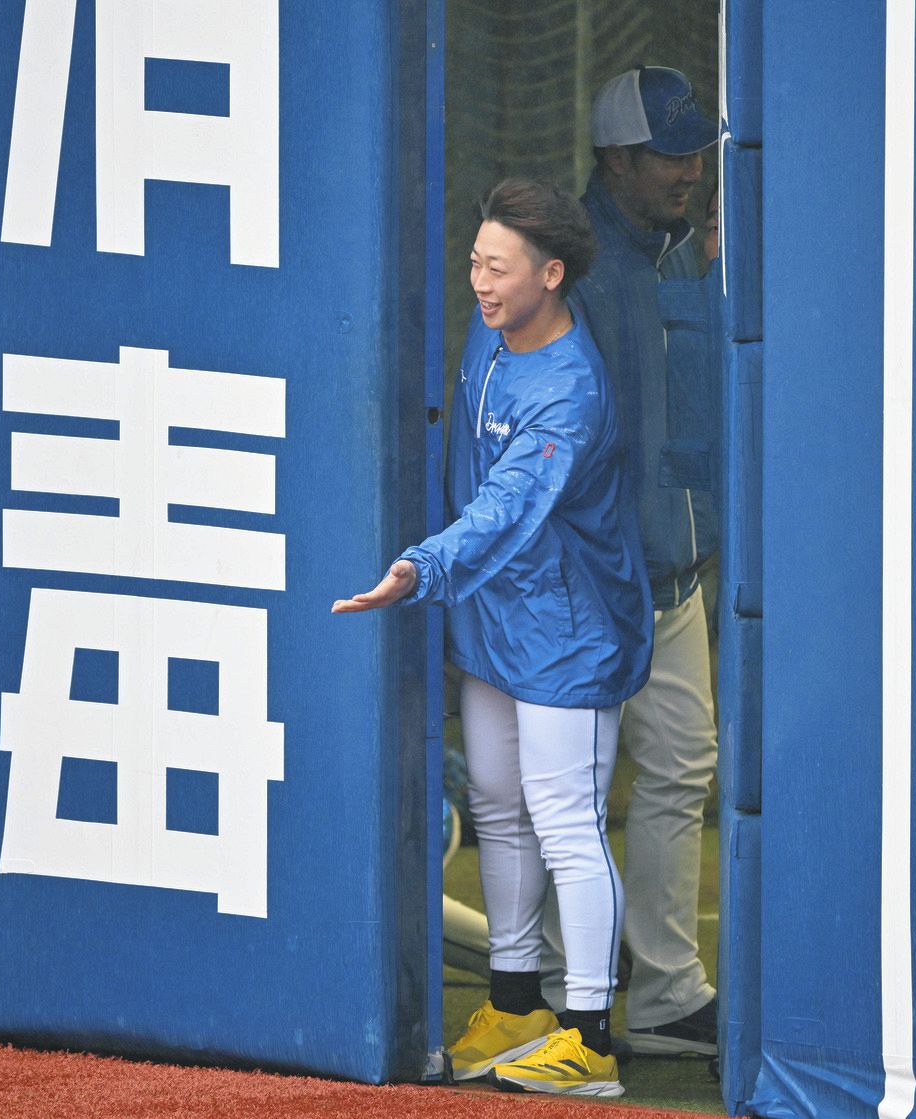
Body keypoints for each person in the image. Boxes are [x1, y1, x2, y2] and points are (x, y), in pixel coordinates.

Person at [333, 179, 653, 1098]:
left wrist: (422, 568)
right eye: (474, 261)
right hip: (489, 618)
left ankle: (586, 1035)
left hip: (568, 631)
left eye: (497, 267)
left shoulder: (572, 393)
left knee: (565, 824)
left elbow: (510, 504)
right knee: (501, 807)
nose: (478, 281)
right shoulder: (493, 324)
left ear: (551, 277)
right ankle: (513, 1003)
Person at [557, 65, 722, 1058]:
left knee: (678, 775)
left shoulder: (678, 258)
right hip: (593, 583)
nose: (689, 167)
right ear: (615, 156)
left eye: (696, 148)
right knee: (562, 793)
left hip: (673, 577)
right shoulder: (575, 264)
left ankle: (661, 991)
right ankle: (547, 995)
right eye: (667, 151)